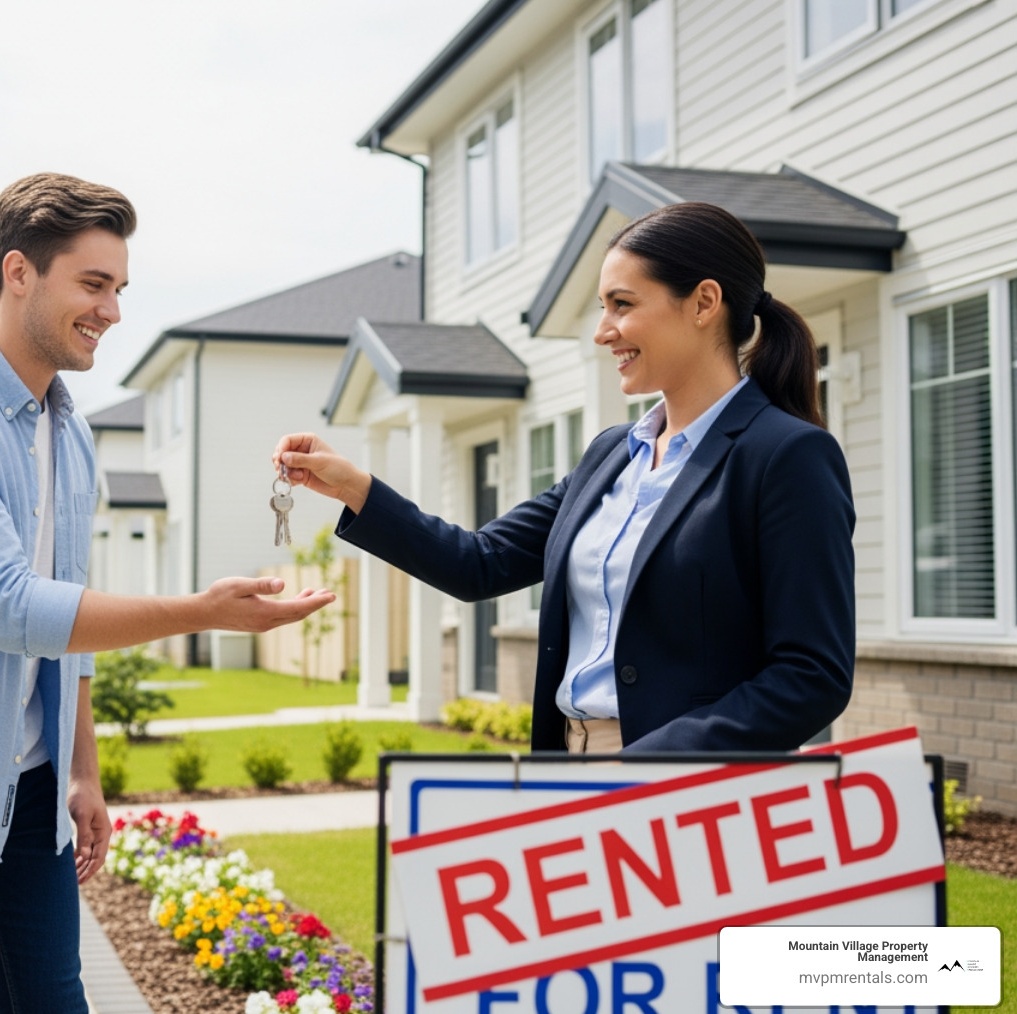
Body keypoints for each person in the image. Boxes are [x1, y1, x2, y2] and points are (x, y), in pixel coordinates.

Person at [0, 172, 336, 1014]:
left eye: (119, 288)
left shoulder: (70, 431)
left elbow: (68, 616)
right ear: (19, 272)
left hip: (22, 783)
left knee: (52, 1011)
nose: (112, 311)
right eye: (93, 284)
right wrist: (201, 611)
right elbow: (16, 609)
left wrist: (81, 770)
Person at [275, 201, 854, 756]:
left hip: (684, 783)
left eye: (622, 304)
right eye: (602, 307)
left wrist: (647, 765)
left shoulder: (787, 456)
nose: (603, 331)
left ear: (704, 303)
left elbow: (812, 675)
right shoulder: (612, 455)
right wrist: (352, 487)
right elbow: (479, 562)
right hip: (569, 760)